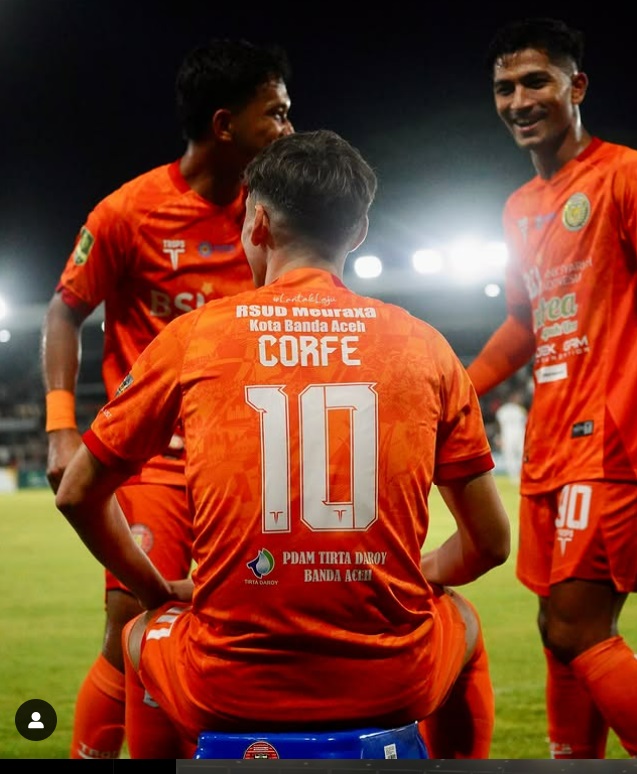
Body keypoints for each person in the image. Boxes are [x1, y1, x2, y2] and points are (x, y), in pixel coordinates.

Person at [54, 129, 511, 759]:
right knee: (463, 622)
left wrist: (156, 590)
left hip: (227, 686)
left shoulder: (195, 337)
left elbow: (76, 492)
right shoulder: (424, 346)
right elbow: (491, 543)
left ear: (258, 223)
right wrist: (421, 575)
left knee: (138, 633)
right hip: (390, 679)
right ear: (358, 232)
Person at [41, 38, 293, 760]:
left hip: (244, 467)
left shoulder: (272, 216)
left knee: (233, 634)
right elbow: (64, 311)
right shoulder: (127, 213)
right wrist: (61, 427)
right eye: (274, 113)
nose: (288, 127)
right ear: (224, 125)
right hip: (151, 463)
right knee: (131, 627)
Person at [467, 17, 637, 759]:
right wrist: (455, 386)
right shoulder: (519, 208)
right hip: (551, 443)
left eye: (536, 81)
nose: (518, 100)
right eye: (504, 87)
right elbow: (524, 321)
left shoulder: (622, 177)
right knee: (558, 629)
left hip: (611, 441)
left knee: (574, 626)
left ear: (577, 86)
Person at [494, 387, 528, 484]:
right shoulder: (519, 409)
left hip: (508, 435)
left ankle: (514, 476)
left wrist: (498, 437)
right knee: (519, 454)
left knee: (510, 455)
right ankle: (520, 475)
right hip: (519, 434)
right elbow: (526, 422)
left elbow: (498, 425)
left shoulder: (502, 410)